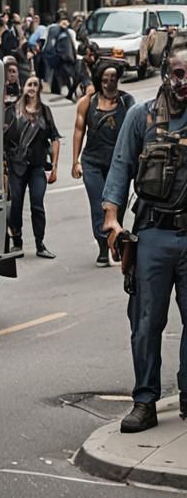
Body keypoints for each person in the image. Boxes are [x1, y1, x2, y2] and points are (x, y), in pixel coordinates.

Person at [102, 36, 187, 433]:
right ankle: (145, 400)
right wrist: (112, 220)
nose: (185, 82)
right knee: (146, 322)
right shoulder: (142, 117)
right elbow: (120, 168)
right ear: (166, 74)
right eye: (179, 73)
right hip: (153, 234)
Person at [72, 60, 133, 266]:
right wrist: (75, 161)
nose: (109, 83)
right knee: (99, 205)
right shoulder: (87, 103)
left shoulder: (127, 102)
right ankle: (102, 247)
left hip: (119, 163)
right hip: (92, 162)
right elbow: (79, 130)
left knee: (117, 204)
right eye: (105, 79)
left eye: (113, 79)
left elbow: (136, 130)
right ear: (99, 80)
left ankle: (115, 240)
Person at [3, 76, 61, 258]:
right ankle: (17, 242)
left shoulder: (45, 112)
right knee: (16, 204)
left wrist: (55, 167)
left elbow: (55, 138)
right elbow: (2, 139)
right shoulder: (12, 111)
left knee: (37, 204)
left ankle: (40, 244)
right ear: (24, 87)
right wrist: (3, 164)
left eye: (36, 84)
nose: (32, 87)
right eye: (29, 84)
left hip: (37, 166)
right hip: (16, 166)